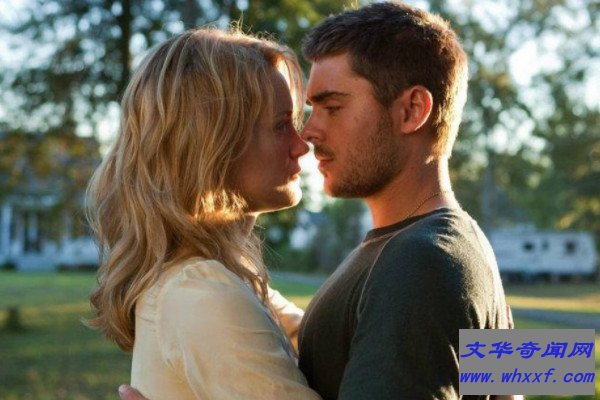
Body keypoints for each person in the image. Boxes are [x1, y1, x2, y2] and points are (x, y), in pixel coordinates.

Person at [119, 2, 518, 399]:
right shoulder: (453, 245)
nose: (308, 133)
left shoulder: (419, 260)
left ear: (412, 110)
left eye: (333, 107)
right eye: (304, 113)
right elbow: (506, 378)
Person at [87, 28, 322, 399]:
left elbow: (324, 344)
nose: (301, 145)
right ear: (214, 145)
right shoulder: (202, 293)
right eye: (281, 125)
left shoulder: (214, 280)